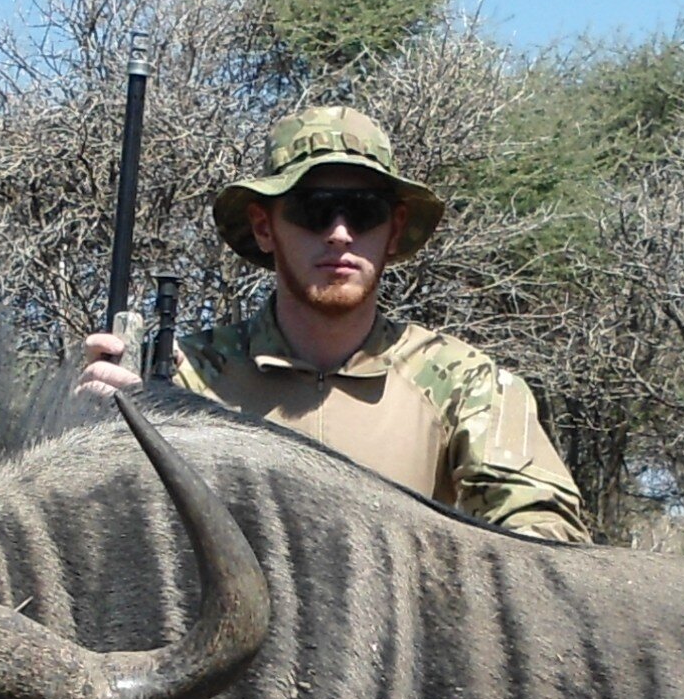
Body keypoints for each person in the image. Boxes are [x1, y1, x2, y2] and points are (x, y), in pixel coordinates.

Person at [78, 104, 589, 543]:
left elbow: (544, 534)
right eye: (313, 209)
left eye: (364, 212)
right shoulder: (184, 379)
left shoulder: (465, 383)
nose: (340, 234)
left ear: (394, 230)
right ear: (264, 227)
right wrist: (93, 432)